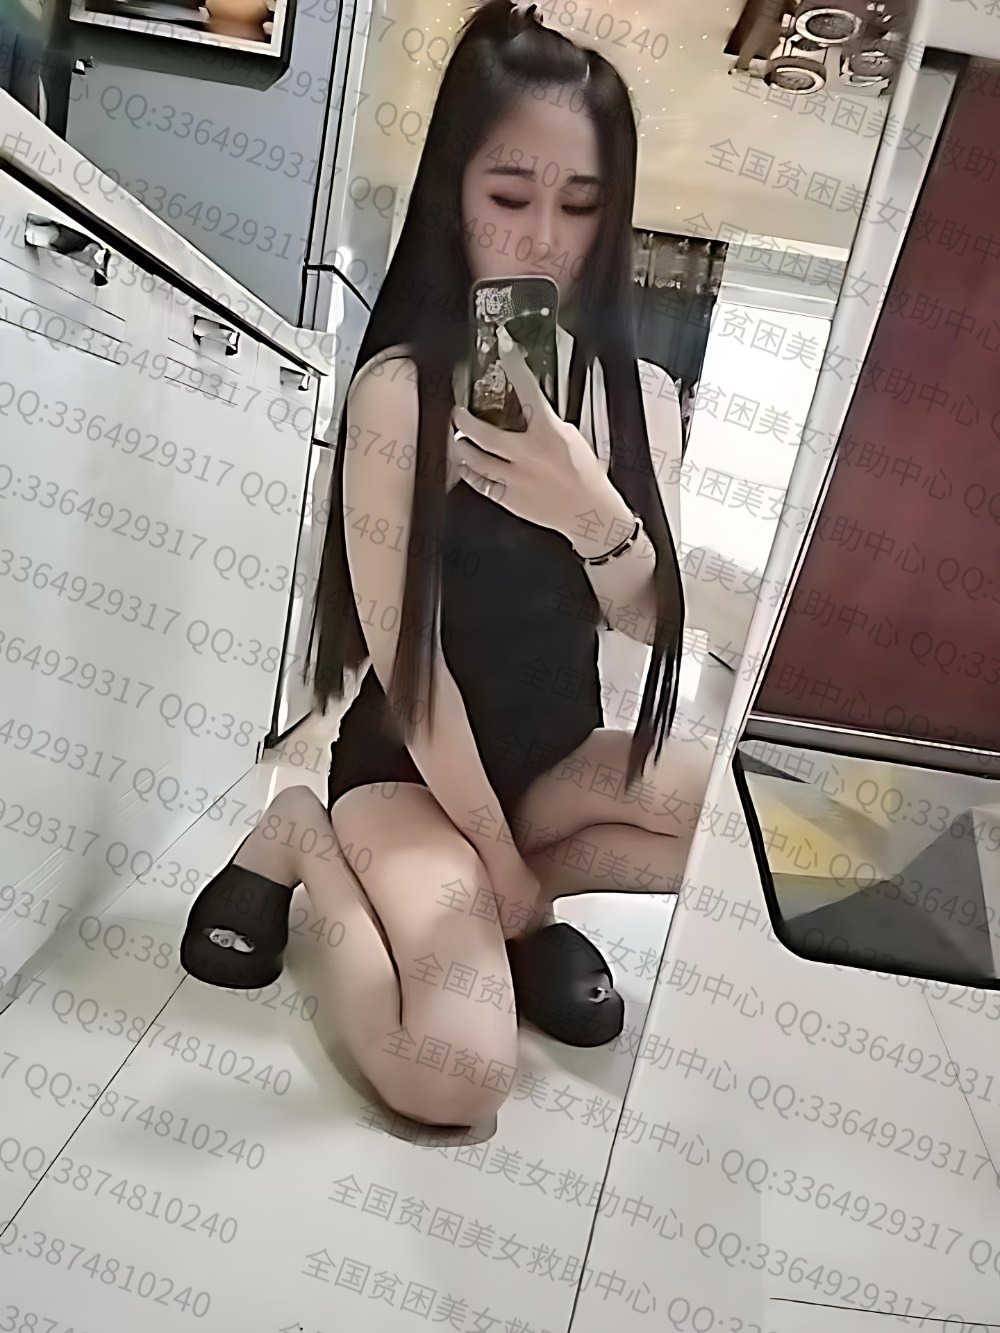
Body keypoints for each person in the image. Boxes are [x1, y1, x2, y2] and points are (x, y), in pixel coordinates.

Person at [181, 0, 705, 1129]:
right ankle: (302, 837)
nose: (543, 240)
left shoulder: (639, 398)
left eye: (581, 204)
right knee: (452, 1077)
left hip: (550, 766)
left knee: (723, 825)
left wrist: (589, 505)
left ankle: (507, 907)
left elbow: (652, 622)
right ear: (452, 196)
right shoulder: (398, 395)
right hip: (414, 773)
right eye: (509, 197)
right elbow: (412, 678)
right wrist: (495, 863)